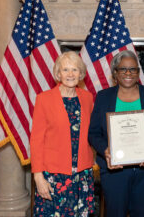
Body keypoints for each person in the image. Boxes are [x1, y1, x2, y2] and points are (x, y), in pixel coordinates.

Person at [88, 50, 144, 217]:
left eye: (133, 69)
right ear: (115, 73)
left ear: (138, 73)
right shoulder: (103, 97)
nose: (128, 73)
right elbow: (94, 133)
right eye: (123, 69)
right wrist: (105, 150)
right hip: (114, 171)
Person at [30, 51, 95, 216]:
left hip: (82, 174)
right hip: (54, 176)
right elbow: (36, 141)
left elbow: (93, 133)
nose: (70, 74)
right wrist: (38, 177)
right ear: (58, 74)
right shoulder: (44, 99)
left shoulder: (87, 98)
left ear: (81, 74)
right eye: (65, 70)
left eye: (75, 69)